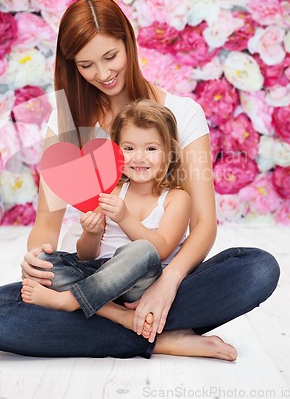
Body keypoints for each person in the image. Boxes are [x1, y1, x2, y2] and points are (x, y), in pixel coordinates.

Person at [0, 0, 280, 360]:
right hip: (87, 272)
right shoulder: (66, 123)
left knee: (258, 268)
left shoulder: (182, 113)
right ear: (72, 65)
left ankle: (127, 321)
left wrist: (166, 284)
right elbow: (46, 226)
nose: (102, 74)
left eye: (110, 57)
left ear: (128, 42)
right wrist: (35, 258)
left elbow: (204, 224)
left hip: (159, 275)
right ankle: (155, 337)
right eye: (86, 65)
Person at [21, 100, 202, 348]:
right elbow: (86, 256)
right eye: (129, 148)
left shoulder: (176, 199)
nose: (139, 157)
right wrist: (91, 233)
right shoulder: (112, 190)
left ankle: (70, 302)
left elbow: (160, 250)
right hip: (100, 277)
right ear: (116, 152)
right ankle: (115, 315)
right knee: (44, 259)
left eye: (150, 149)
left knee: (142, 250)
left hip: (141, 285)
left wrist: (125, 218)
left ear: (169, 154)